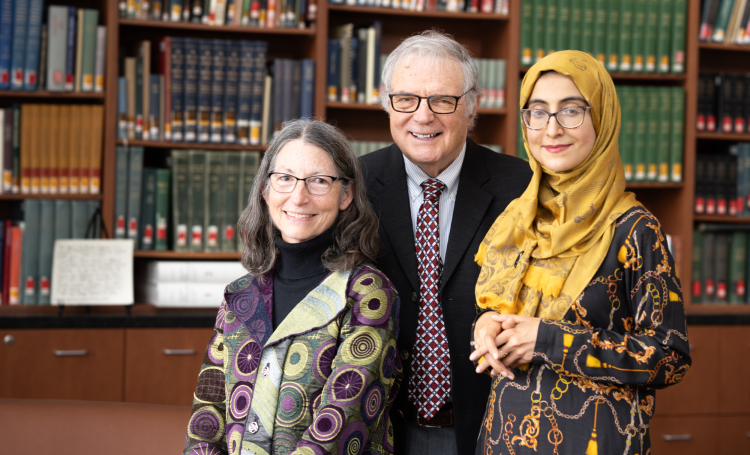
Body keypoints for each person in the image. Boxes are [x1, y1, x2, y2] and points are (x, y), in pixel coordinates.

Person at [469, 50, 691, 454]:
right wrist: (486, 328)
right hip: (504, 439)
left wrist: (550, 340)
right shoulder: (518, 220)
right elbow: (502, 315)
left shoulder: (635, 229)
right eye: (537, 112)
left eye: (571, 110)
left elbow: (669, 357)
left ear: (601, 118)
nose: (551, 129)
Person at [183, 119, 403, 455]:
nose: (298, 197)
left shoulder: (368, 294)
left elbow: (342, 423)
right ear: (265, 189)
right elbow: (207, 417)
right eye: (284, 178)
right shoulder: (240, 296)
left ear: (345, 195)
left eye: (318, 181)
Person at [360, 30, 533, 455]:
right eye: (406, 99)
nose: (423, 116)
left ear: (471, 106)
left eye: (442, 100)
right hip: (379, 427)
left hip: (494, 425)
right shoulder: (353, 187)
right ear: (387, 103)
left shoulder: (523, 187)